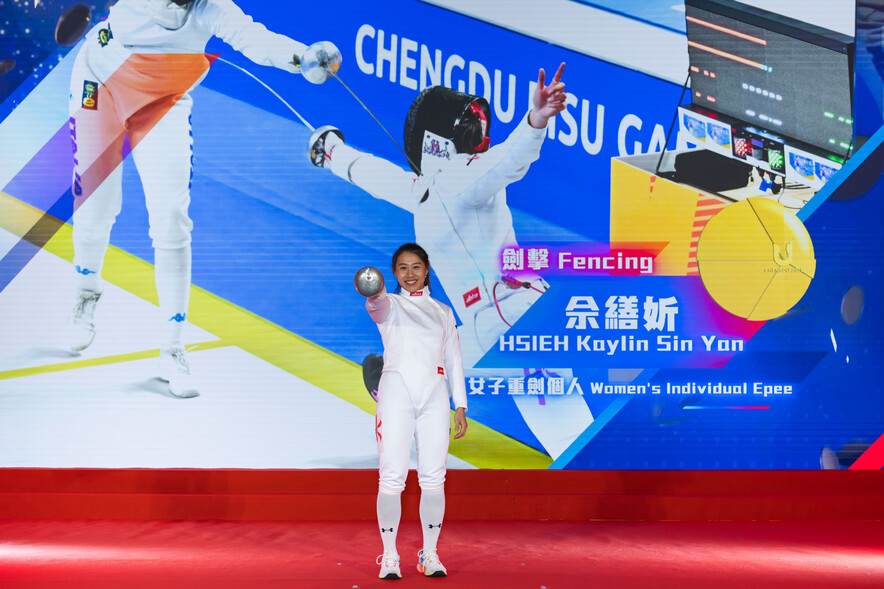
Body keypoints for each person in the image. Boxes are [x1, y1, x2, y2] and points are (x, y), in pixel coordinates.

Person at [311, 63, 595, 459]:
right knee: (568, 434)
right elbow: (373, 174)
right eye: (469, 127)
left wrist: (536, 121)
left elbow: (509, 158)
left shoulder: (448, 183)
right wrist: (332, 152)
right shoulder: (437, 186)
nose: (479, 135)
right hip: (504, 325)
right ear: (439, 138)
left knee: (570, 436)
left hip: (502, 325)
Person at [67, 0, 335, 397]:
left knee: (172, 219)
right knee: (96, 204)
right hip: (98, 82)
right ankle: (85, 295)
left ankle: (173, 347)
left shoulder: (213, 8)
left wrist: (303, 58)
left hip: (161, 101)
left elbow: (255, 39)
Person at [356, 243, 468, 579]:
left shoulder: (444, 312)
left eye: (416, 267)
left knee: (434, 477)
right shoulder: (391, 306)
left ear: (427, 269)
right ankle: (389, 556)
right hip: (396, 396)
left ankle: (430, 553)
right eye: (402, 268)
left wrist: (459, 404)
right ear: (394, 274)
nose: (410, 274)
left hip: (434, 396)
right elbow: (375, 303)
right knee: (392, 477)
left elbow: (453, 361)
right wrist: (373, 288)